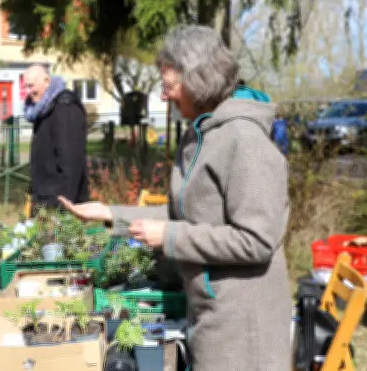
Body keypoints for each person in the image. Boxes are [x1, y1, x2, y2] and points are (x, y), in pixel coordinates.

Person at [60, 24, 291, 371]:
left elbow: (256, 240)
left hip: (243, 323)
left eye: (170, 86)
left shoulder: (245, 143)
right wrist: (110, 214)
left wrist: (170, 237)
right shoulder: (201, 134)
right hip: (211, 308)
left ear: (200, 80)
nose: (164, 96)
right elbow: (186, 215)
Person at [22, 64, 88, 211]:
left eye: (31, 86)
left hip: (59, 202)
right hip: (44, 197)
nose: (28, 92)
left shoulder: (65, 109)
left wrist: (65, 207)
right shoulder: (45, 109)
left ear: (46, 81)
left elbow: (71, 161)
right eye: (25, 86)